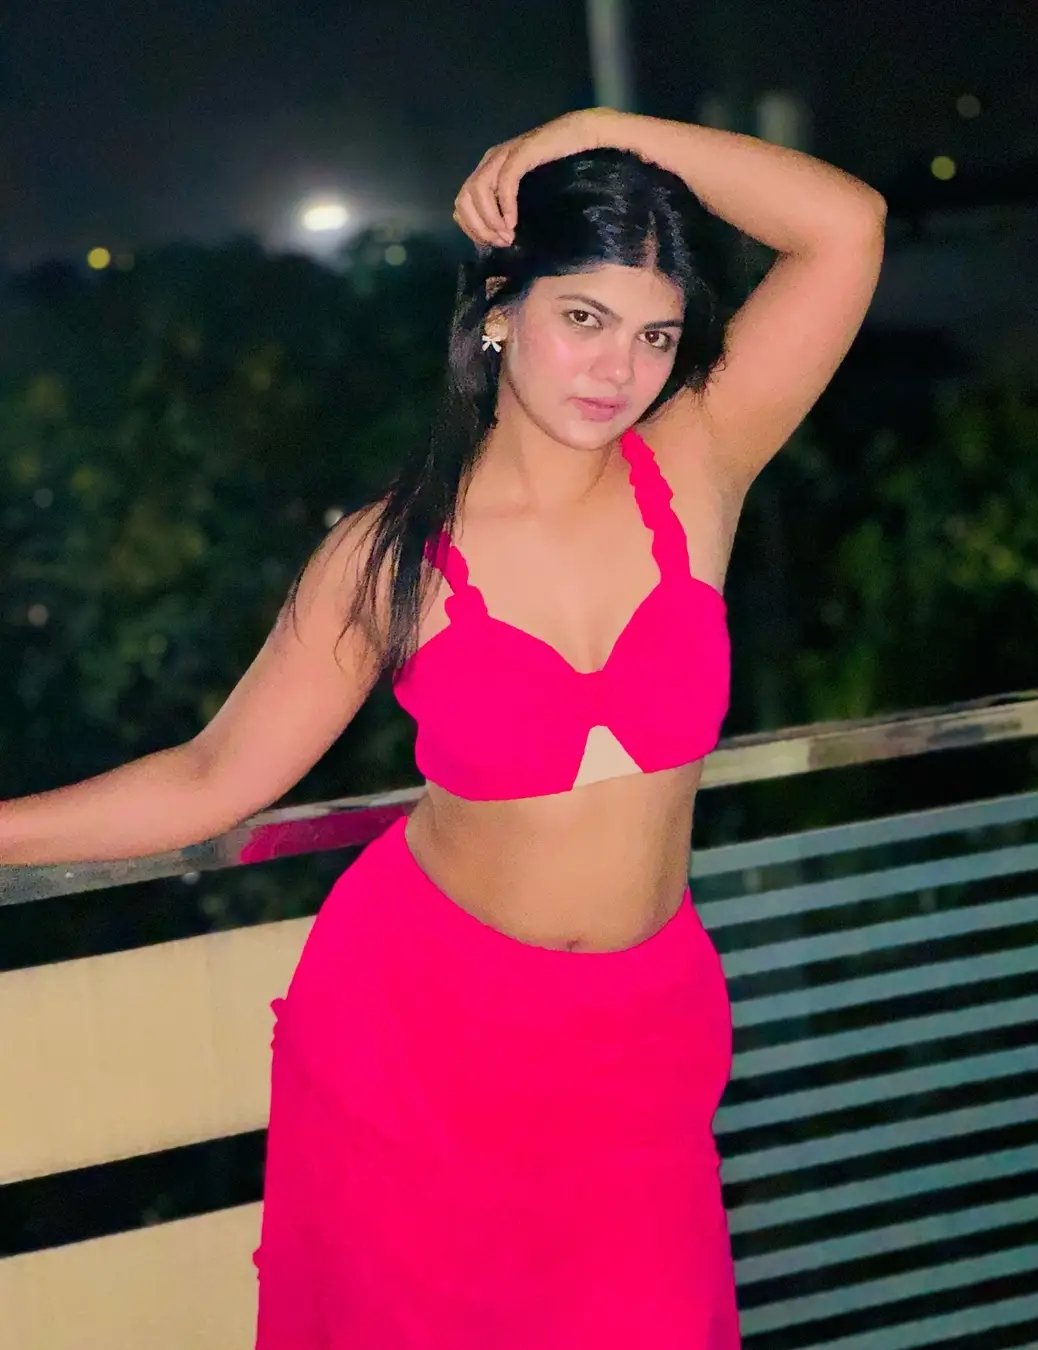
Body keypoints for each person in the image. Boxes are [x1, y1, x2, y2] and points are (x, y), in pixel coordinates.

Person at [2, 107, 884, 1347]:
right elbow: (211, 779)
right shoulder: (392, 556)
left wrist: (595, 129)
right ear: (501, 310)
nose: (619, 370)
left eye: (655, 334)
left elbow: (847, 226)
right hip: (426, 1039)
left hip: (642, 1042)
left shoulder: (698, 463)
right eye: (584, 317)